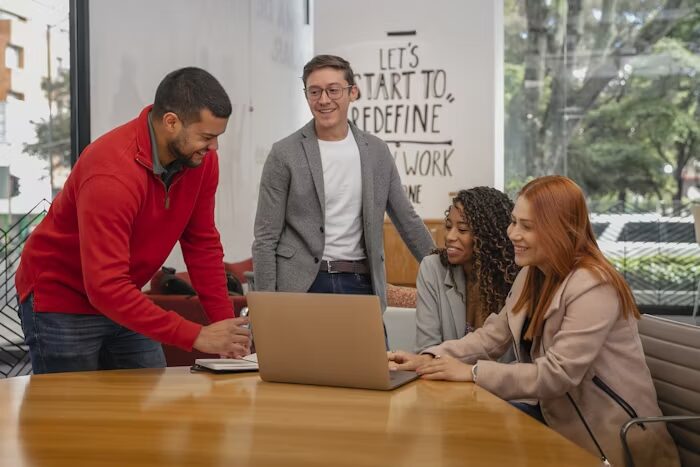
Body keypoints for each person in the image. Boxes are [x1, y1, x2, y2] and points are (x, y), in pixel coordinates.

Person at [389, 176, 679, 467]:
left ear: (558, 230)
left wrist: (473, 372)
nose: (512, 233)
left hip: (606, 441)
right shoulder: (534, 273)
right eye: (514, 222)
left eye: (526, 227)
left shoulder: (593, 285)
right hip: (557, 419)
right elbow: (492, 336)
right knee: (466, 433)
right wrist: (428, 357)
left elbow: (557, 374)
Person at [16, 67, 251, 374]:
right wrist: (197, 335)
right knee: (73, 403)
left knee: (149, 399)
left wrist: (225, 329)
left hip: (122, 296)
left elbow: (202, 245)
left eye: (217, 137)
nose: (214, 147)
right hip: (62, 300)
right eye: (206, 137)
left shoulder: (201, 162)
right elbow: (105, 287)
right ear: (171, 122)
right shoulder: (111, 173)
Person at [252, 55, 434, 310]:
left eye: (333, 90)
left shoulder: (377, 152)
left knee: (372, 340)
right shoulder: (284, 153)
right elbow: (265, 237)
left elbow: (407, 220)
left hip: (360, 282)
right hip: (301, 285)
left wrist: (445, 271)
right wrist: (265, 307)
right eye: (314, 91)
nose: (324, 100)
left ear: (353, 93)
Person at [415, 187, 518, 352]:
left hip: (494, 371)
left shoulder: (514, 279)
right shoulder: (433, 268)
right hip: (439, 367)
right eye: (448, 226)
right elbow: (426, 348)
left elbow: (520, 359)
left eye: (462, 229)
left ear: (487, 235)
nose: (449, 236)